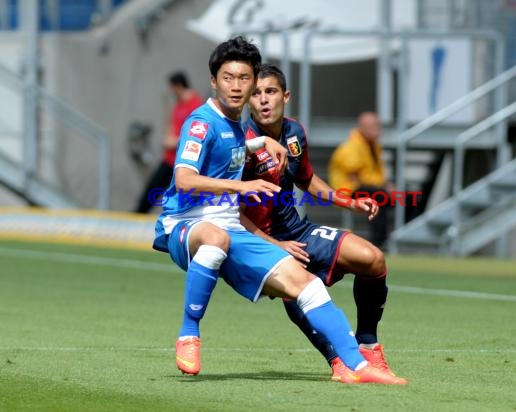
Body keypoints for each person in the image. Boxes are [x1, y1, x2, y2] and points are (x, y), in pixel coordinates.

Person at [152, 36, 405, 385]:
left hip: (238, 229)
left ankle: (359, 367)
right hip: (188, 223)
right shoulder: (201, 122)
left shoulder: (248, 125)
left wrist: (260, 142)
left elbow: (269, 160)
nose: (238, 87)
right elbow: (183, 178)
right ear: (214, 81)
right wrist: (244, 187)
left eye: (245, 79)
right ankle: (188, 334)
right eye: (228, 78)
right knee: (215, 238)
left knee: (307, 284)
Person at [241, 64, 407, 384]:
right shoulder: (240, 145)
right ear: (247, 101)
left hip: (297, 230)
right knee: (297, 287)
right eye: (256, 94)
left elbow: (307, 179)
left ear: (285, 96)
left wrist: (349, 200)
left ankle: (368, 344)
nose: (263, 100)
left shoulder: (294, 133)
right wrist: (275, 245)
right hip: (257, 241)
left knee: (372, 259)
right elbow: (230, 212)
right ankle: (338, 361)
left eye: (270, 92)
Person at [133, 71, 203, 214]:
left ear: (178, 86)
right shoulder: (178, 105)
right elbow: (172, 125)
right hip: (169, 159)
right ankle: (136, 216)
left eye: (172, 87)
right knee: (152, 189)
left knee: (182, 195)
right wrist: (168, 138)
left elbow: (198, 134)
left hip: (182, 160)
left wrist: (175, 142)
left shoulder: (195, 105)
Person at [328, 111, 394, 248]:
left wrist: (387, 186)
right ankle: (378, 242)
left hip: (367, 187)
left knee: (409, 199)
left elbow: (375, 174)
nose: (378, 130)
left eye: (378, 125)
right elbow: (356, 178)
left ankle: (387, 237)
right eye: (374, 126)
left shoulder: (374, 146)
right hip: (347, 190)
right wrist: (383, 188)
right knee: (379, 196)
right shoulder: (351, 147)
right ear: (362, 127)